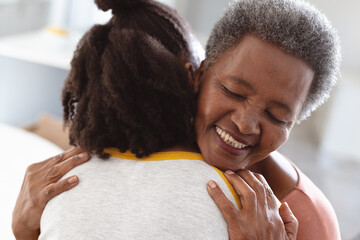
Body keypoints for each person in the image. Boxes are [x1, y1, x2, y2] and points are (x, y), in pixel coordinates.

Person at [12, 0, 341, 239]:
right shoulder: (153, 141)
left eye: (276, 116)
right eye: (233, 91)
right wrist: (24, 228)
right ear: (197, 75)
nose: (245, 123)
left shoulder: (306, 217)